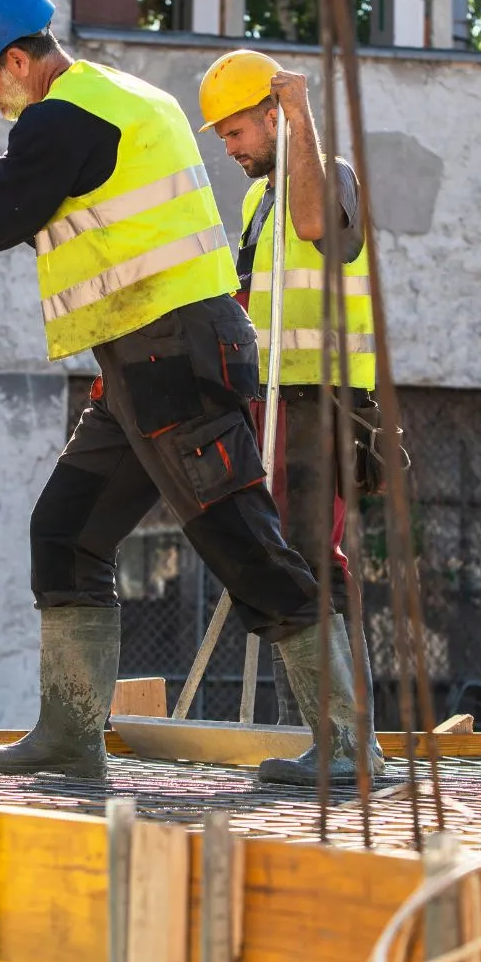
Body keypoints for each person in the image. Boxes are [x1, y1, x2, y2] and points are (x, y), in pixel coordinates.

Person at [0, 0, 371, 784]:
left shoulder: (62, 117)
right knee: (66, 531)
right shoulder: (121, 98)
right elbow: (31, 202)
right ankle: (70, 734)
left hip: (169, 361)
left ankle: (348, 745)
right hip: (146, 361)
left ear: (16, 60)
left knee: (247, 547)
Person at [196, 49, 383, 769]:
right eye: (222, 136)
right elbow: (246, 298)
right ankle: (315, 733)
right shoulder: (256, 201)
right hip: (274, 400)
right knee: (286, 561)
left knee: (311, 560)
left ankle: (347, 744)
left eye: (237, 131)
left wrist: (302, 118)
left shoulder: (329, 176)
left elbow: (316, 225)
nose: (229, 147)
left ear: (273, 116)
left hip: (322, 398)